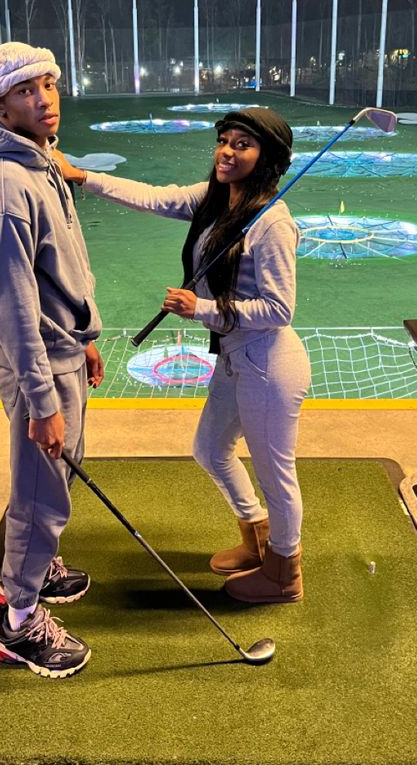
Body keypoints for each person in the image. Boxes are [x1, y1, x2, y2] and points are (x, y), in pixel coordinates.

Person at [56, 107, 311, 604]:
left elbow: (279, 309)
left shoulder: (272, 222)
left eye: (243, 144)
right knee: (210, 449)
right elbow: (155, 198)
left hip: (269, 363)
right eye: (224, 140)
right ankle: (257, 539)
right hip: (238, 357)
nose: (227, 152)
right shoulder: (216, 198)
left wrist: (203, 309)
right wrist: (82, 177)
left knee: (276, 472)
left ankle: (285, 572)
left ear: (268, 158)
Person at [0, 41, 104, 678]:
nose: (45, 99)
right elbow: (15, 308)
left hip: (63, 350)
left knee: (57, 482)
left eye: (49, 84)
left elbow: (57, 273)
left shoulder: (39, 162)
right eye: (26, 91)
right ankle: (19, 622)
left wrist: (87, 334)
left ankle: (34, 568)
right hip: (37, 364)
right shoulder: (4, 186)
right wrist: (43, 402)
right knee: (41, 497)